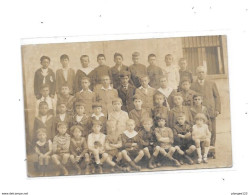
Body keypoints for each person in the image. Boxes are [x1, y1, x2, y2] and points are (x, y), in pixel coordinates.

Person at [190, 66, 221, 146]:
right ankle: (203, 147)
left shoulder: (211, 83)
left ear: (205, 73)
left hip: (211, 110)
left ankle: (212, 146)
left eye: (203, 72)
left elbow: (216, 96)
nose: (201, 74)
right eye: (199, 72)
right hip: (199, 111)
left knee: (212, 129)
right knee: (200, 130)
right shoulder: (193, 85)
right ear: (196, 74)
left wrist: (217, 109)